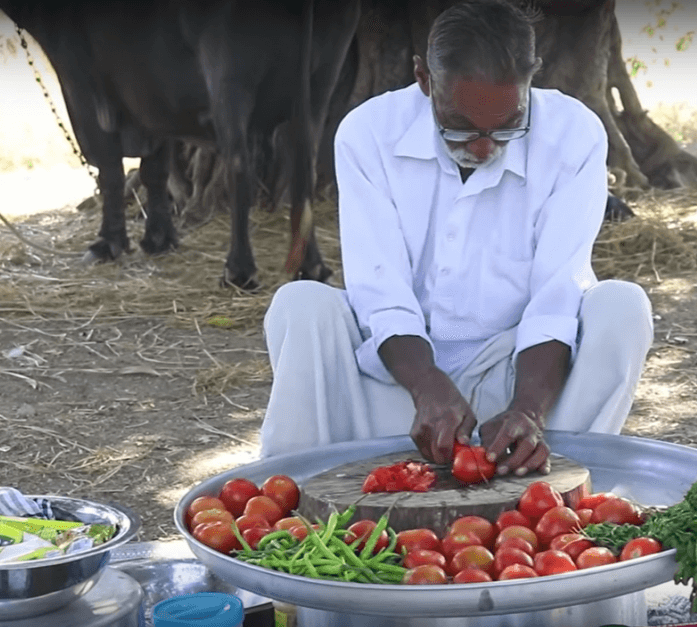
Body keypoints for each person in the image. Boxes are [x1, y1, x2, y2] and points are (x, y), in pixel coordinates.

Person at [259, 0, 653, 476]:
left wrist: (528, 411)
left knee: (622, 306)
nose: (484, 147)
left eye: (507, 126)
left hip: (522, 386)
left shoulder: (575, 134)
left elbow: (557, 296)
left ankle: (556, 484)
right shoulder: (368, 133)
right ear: (424, 80)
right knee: (300, 304)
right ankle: (293, 495)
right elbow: (380, 294)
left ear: (532, 80)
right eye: (460, 126)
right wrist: (427, 386)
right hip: (395, 392)